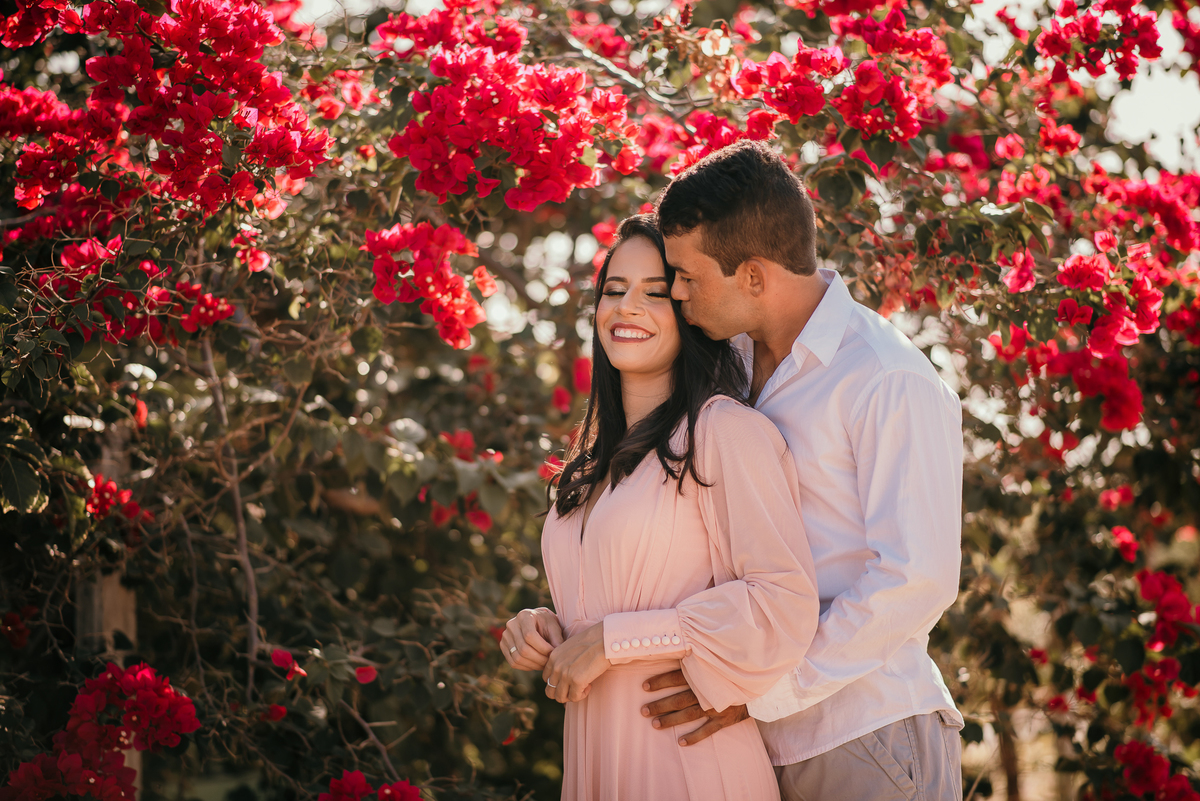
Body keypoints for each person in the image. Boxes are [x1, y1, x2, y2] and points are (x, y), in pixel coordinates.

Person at [639, 138, 966, 801]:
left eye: (689, 275)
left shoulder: (883, 375)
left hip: (865, 735)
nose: (675, 292)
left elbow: (917, 577)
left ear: (754, 276)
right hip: (752, 745)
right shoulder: (724, 365)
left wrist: (764, 689)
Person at [500, 214, 820, 801]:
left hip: (690, 766)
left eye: (655, 293)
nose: (627, 308)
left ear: (690, 312)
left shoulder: (724, 432)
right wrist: (546, 627)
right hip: (596, 763)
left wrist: (612, 640)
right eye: (614, 291)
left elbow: (784, 602)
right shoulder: (590, 464)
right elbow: (608, 601)